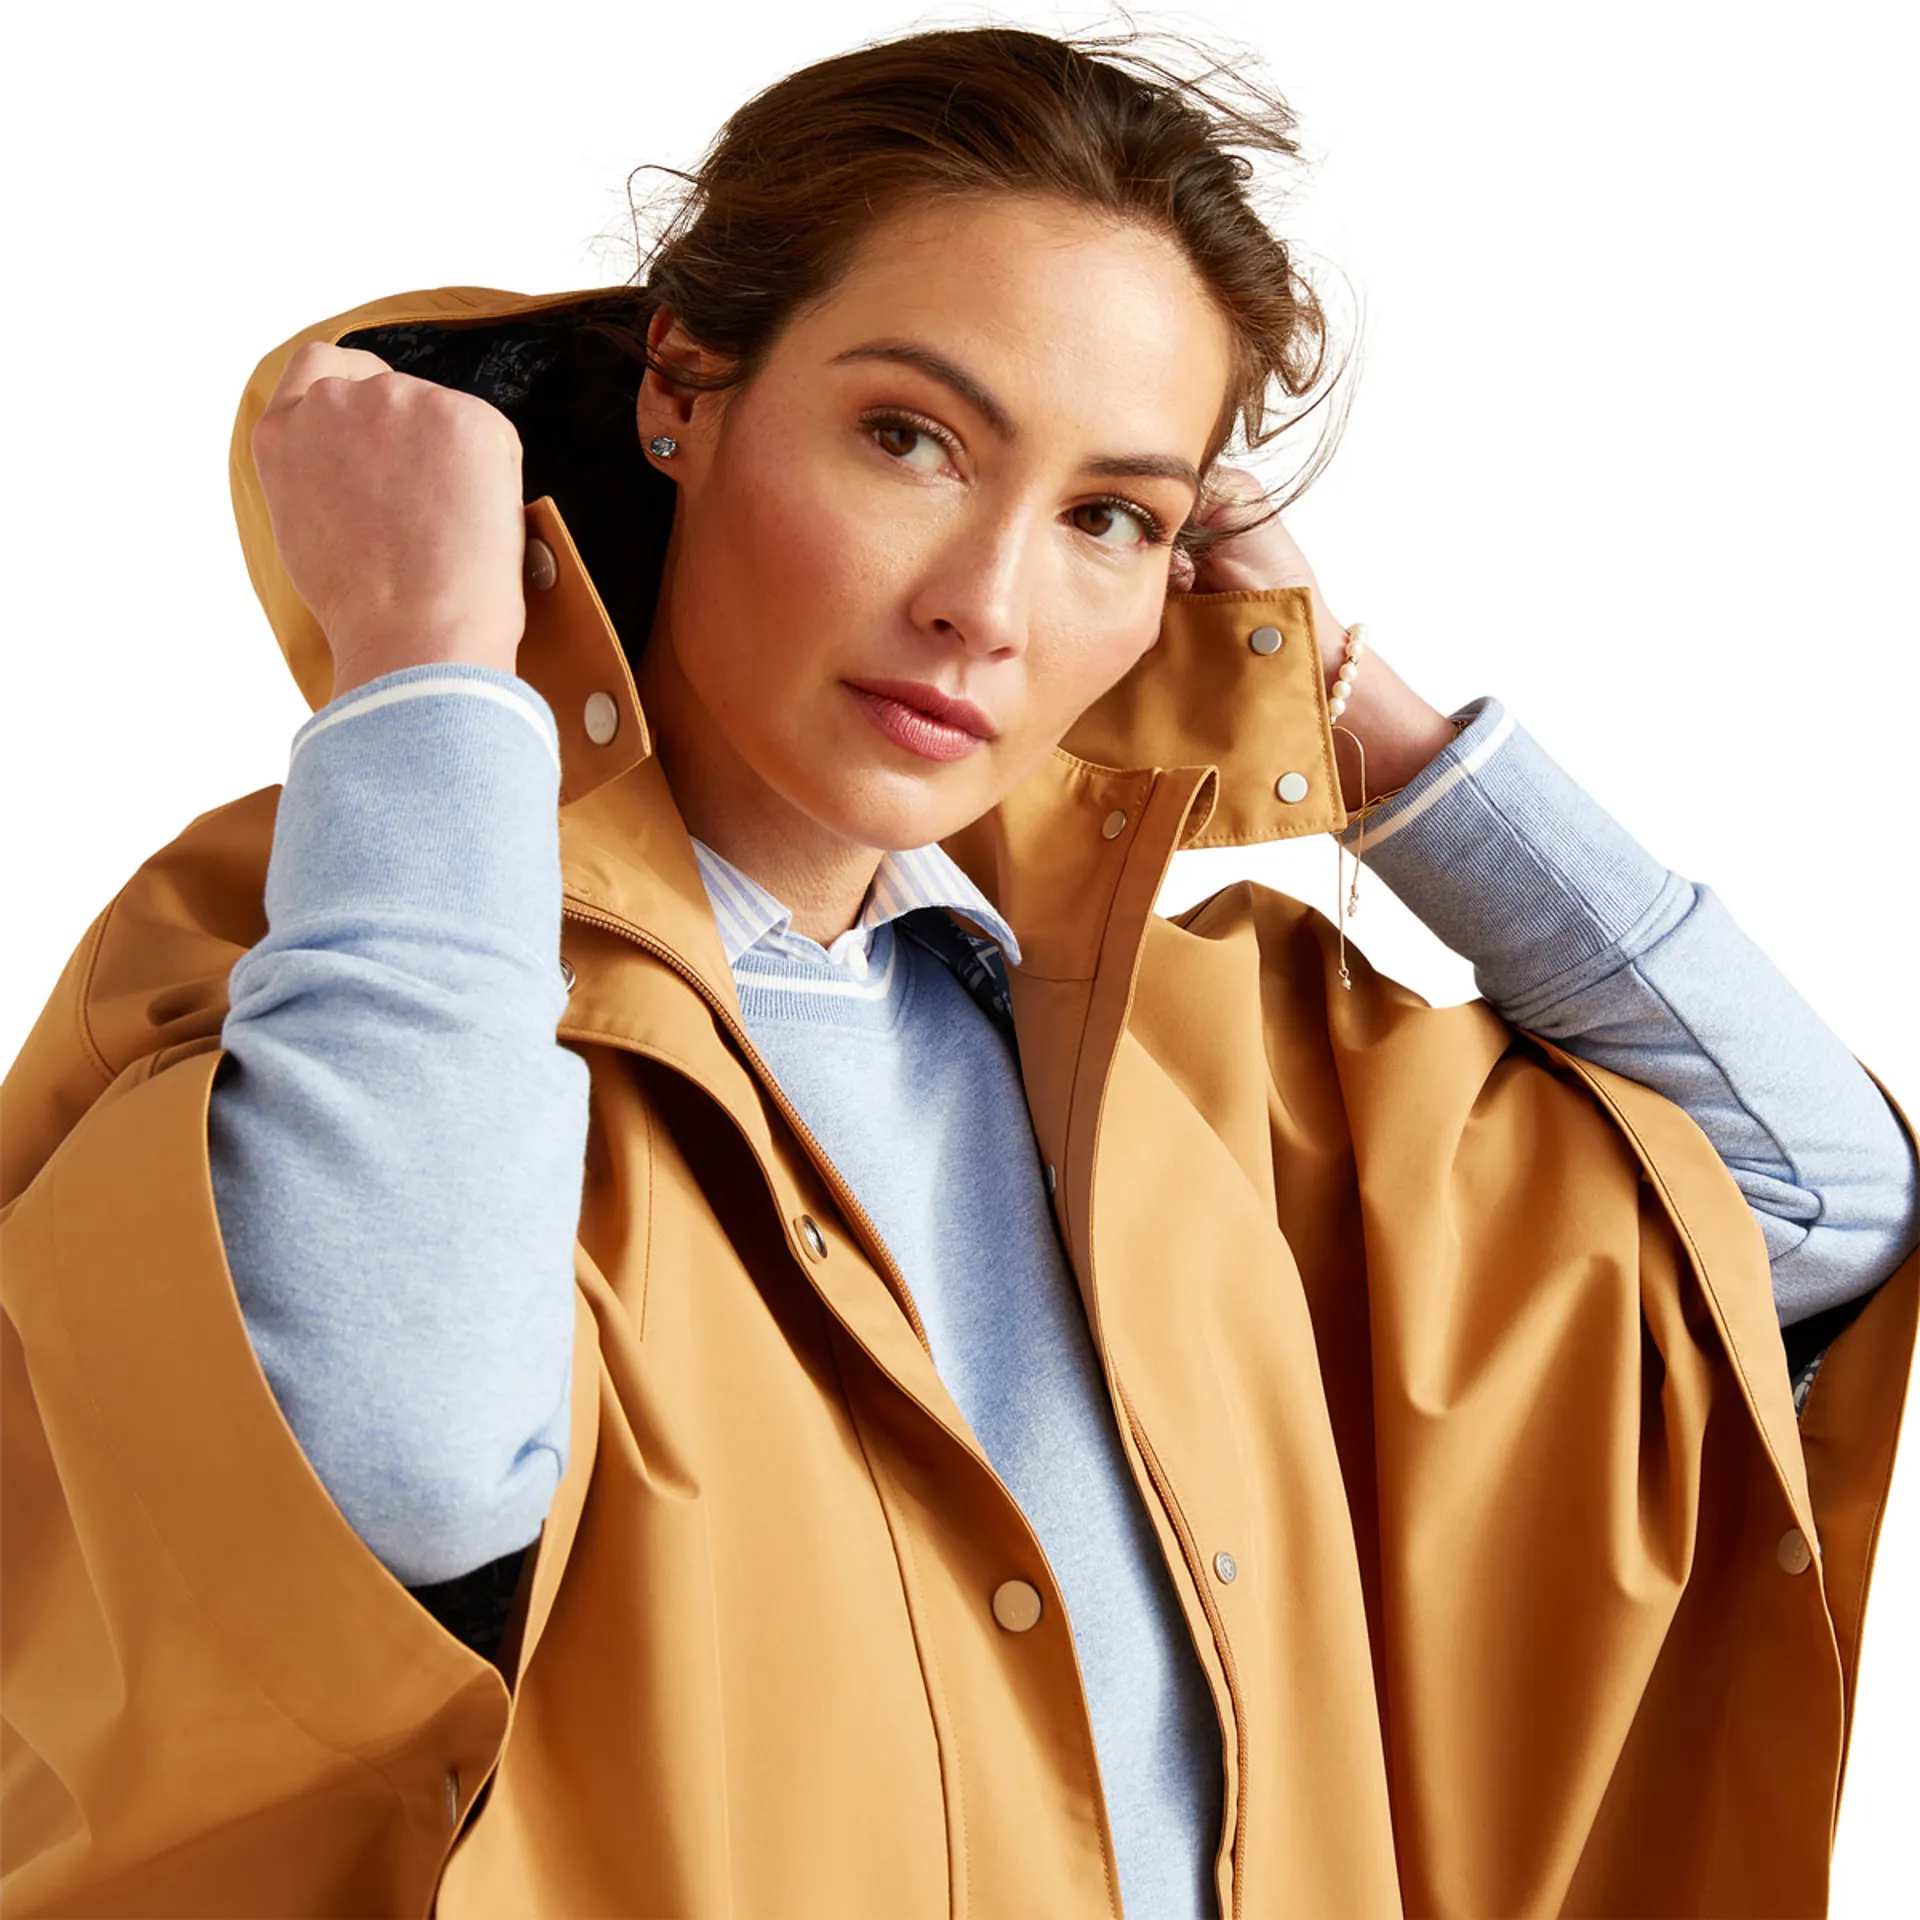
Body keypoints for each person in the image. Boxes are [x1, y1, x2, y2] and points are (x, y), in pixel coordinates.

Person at [2, 23, 1914, 1920]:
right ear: (685, 387)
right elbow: (389, 1474)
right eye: (910, 438)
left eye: (1110, 518)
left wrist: (1356, 711)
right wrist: (426, 664)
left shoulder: (1205, 1063)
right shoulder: (340, 971)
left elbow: (1813, 1197)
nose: (986, 608)